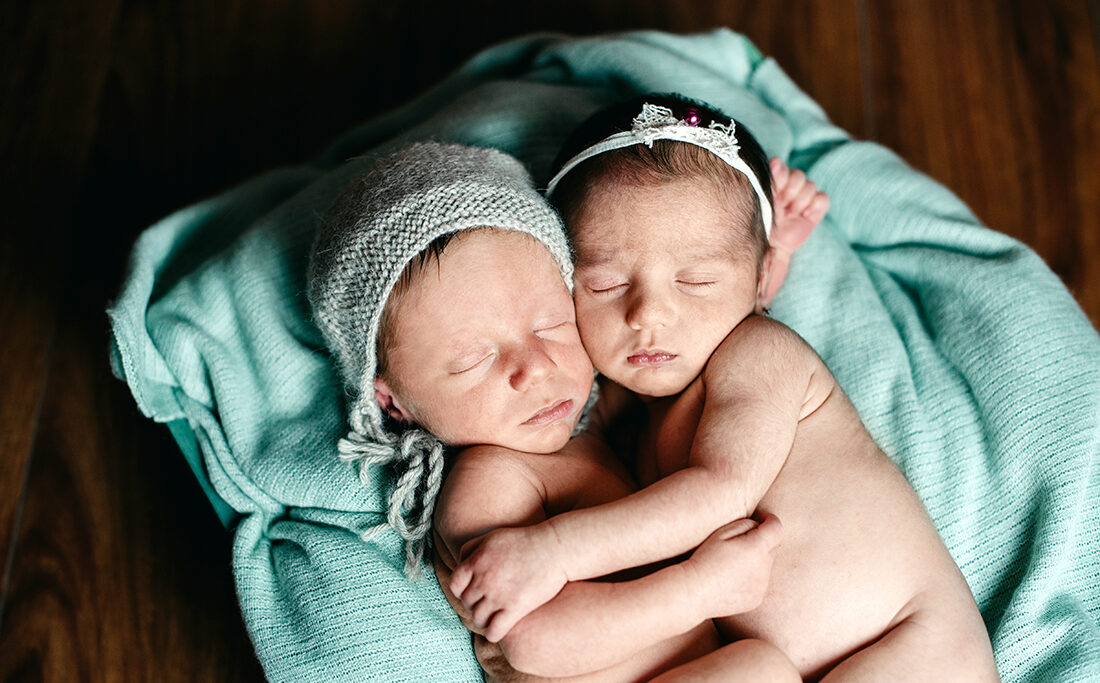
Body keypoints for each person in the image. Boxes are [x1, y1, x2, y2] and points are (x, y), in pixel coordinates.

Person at [449, 95, 1001, 681]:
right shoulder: (635, 413)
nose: (650, 314)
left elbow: (719, 492)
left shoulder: (762, 353)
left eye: (697, 280)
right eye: (605, 285)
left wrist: (554, 552)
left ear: (760, 284)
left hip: (912, 647)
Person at [307, 140, 803, 681]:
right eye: (475, 360)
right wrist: (699, 590)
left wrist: (761, 264)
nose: (536, 368)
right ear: (393, 402)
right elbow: (534, 643)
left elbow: (685, 357)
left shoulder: (581, 421)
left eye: (551, 327)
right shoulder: (487, 484)